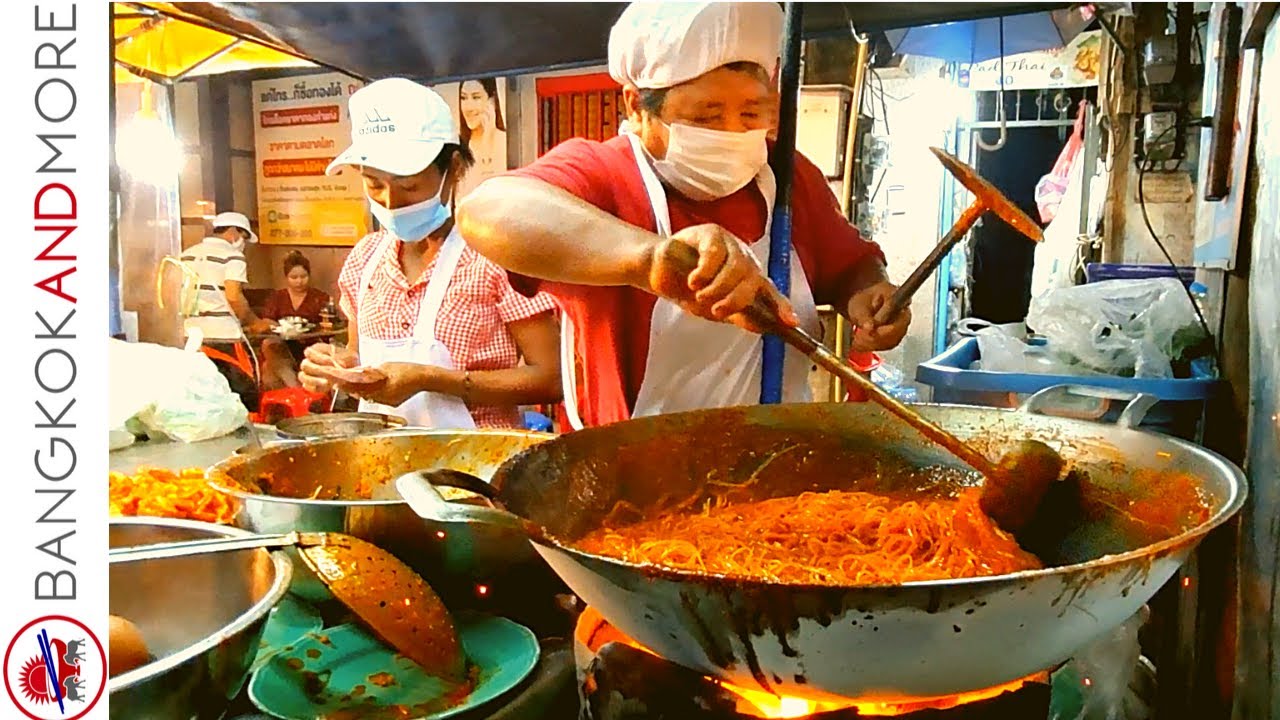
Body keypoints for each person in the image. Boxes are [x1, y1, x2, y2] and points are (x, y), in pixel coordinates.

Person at [457, 2, 911, 429]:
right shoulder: (605, 174)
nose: (734, 132)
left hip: (781, 460)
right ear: (636, 106)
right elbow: (487, 210)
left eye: (752, 112)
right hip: (633, 478)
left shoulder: (788, 175)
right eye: (707, 117)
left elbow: (851, 266)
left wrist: (869, 295)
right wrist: (651, 260)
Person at [298, 78, 562, 430]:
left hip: (477, 467)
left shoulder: (495, 256)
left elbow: (553, 378)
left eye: (408, 186)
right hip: (381, 463)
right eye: (374, 184)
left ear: (452, 170)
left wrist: (430, 379)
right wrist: (337, 365)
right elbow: (356, 353)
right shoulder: (365, 259)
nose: (390, 203)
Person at [181, 211, 272, 411]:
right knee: (244, 395)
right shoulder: (233, 256)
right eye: (244, 238)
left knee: (206, 396)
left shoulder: (185, 254)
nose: (243, 244)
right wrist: (254, 322)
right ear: (233, 232)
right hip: (225, 338)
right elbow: (233, 296)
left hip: (191, 337)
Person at [258, 251, 332, 389]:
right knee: (269, 348)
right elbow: (266, 321)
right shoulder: (278, 297)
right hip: (283, 346)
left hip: (311, 345)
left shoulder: (320, 297)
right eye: (294, 277)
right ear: (286, 277)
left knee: (270, 368)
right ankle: (295, 388)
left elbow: (328, 324)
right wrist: (277, 326)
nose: (299, 281)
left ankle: (297, 391)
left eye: (303, 276)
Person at [456, 78, 507, 199]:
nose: (468, 107)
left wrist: (487, 141)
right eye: (463, 98)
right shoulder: (459, 147)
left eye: (476, 97)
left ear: (492, 101)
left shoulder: (506, 142)